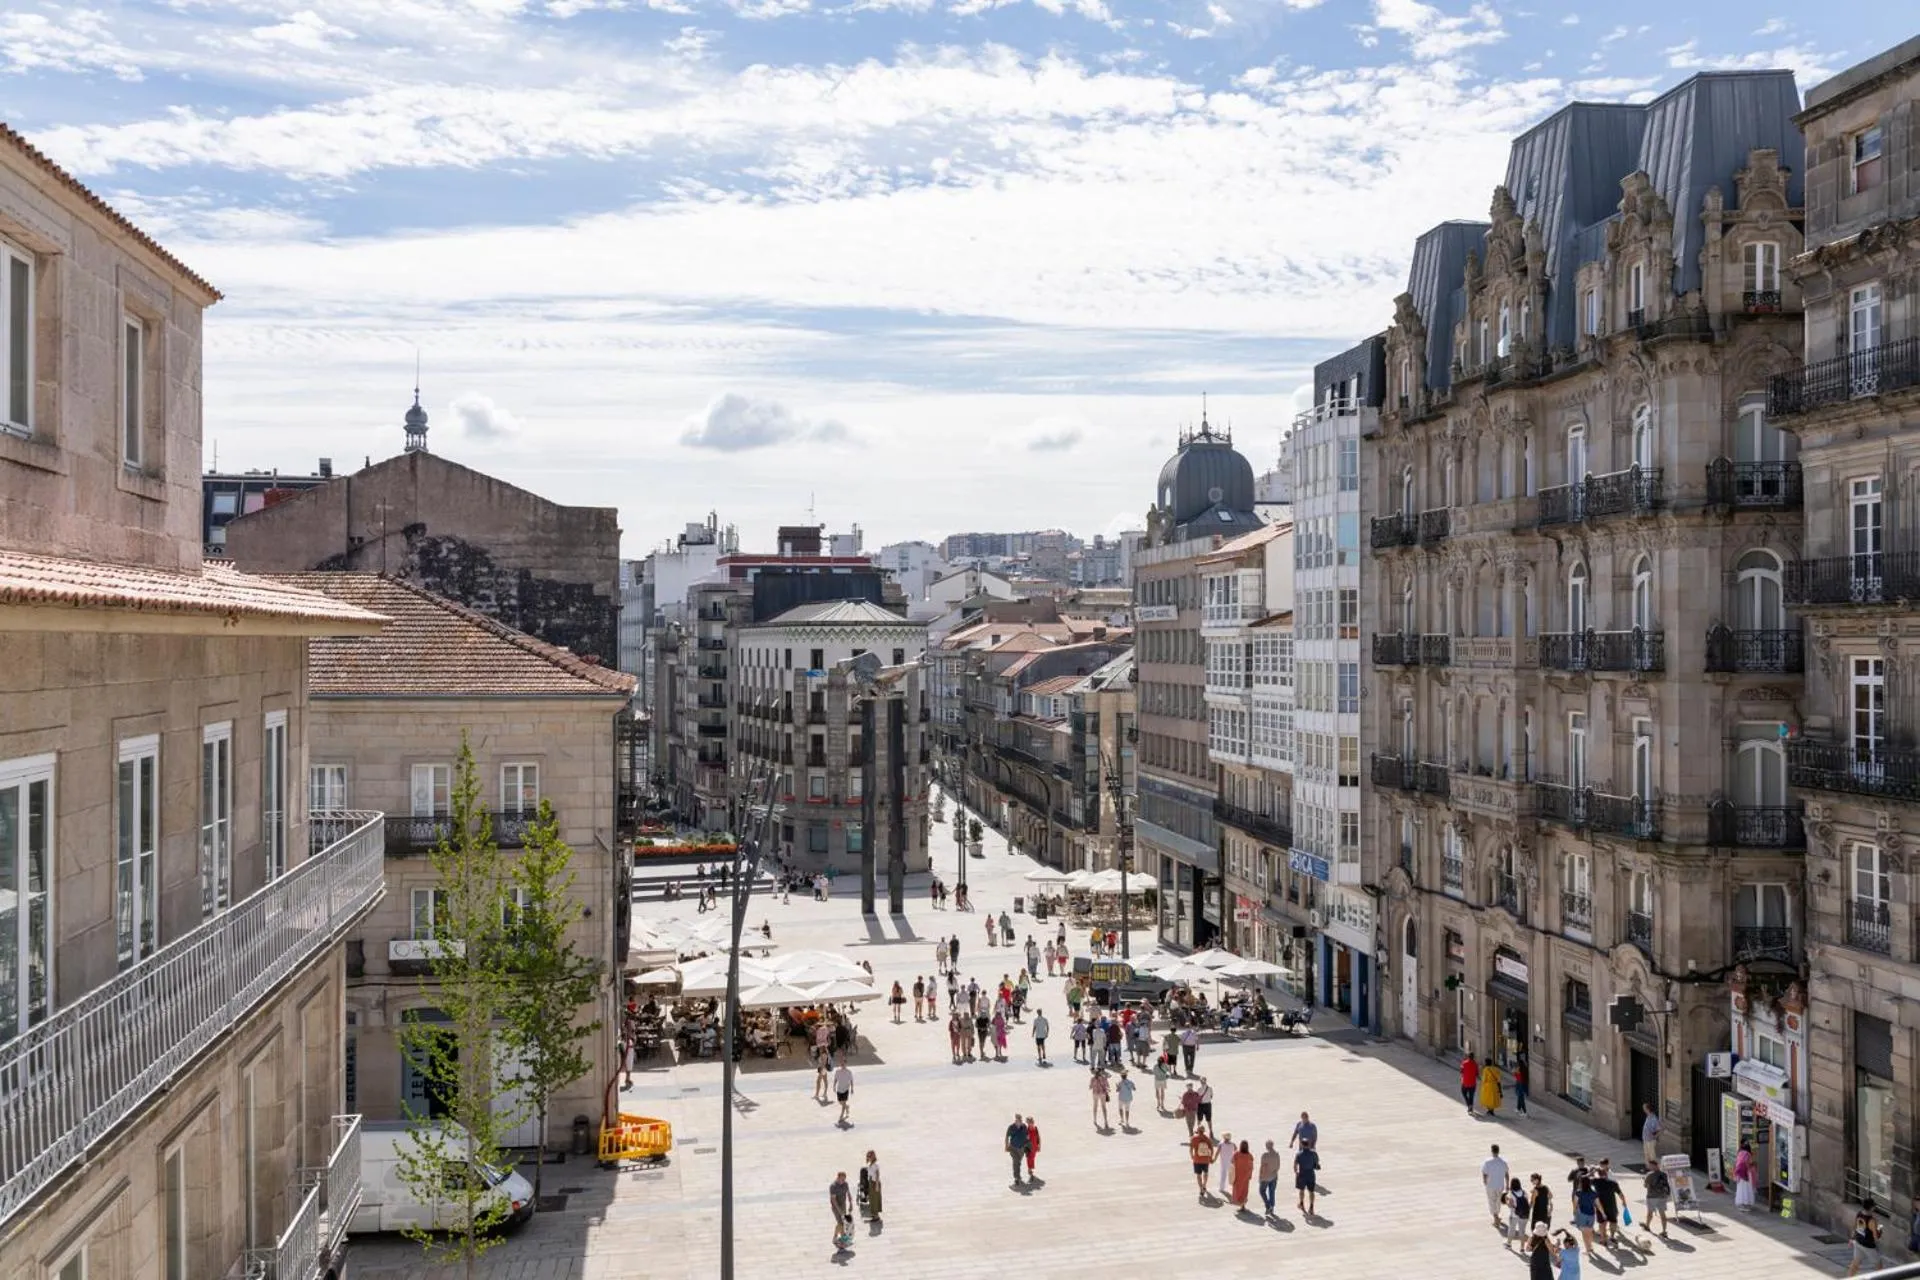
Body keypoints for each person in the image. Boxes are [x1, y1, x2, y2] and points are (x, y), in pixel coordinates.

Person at [1590, 1159, 1622, 1246]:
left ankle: (1603, 1240)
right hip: (1611, 1205)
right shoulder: (1612, 1183)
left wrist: (1592, 1171)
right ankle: (1612, 1236)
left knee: (1602, 1223)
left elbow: (1585, 1179)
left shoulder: (1596, 1182)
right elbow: (1620, 1193)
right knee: (1613, 1221)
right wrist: (1624, 1203)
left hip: (1600, 1206)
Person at [1851, 1204, 1885, 1276]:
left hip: (1858, 1242)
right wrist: (1880, 1230)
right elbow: (1875, 1237)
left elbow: (1855, 1227)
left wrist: (1852, 1238)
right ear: (1872, 1208)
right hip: (1868, 1246)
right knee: (1879, 1265)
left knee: (1855, 1263)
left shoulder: (1859, 1214)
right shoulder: (1872, 1220)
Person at [1483, 1143, 1510, 1229]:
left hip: (1491, 1185)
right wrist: (1507, 1184)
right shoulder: (1503, 1162)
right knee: (1498, 1201)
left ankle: (1496, 1218)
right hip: (1500, 1185)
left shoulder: (1487, 1162)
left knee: (1492, 1201)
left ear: (1492, 1151)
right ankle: (1497, 1216)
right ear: (1498, 1151)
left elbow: (1484, 1173)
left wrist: (1485, 1181)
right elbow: (1506, 1174)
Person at [1570, 1173, 1597, 1257]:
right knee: (1590, 1230)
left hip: (1582, 1214)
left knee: (1584, 1233)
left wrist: (1574, 1211)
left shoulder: (1578, 1192)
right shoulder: (1593, 1192)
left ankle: (1587, 1249)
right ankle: (1591, 1246)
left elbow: (1575, 1203)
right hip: (1592, 1214)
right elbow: (1597, 1203)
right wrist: (1603, 1213)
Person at [1641, 1163, 1670, 1237]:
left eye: (1650, 1165)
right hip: (1662, 1196)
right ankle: (1664, 1231)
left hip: (1652, 1196)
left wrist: (1646, 1180)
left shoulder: (1649, 1174)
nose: (1649, 1167)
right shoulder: (1664, 1174)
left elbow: (1645, 1185)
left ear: (1653, 1166)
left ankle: (1647, 1226)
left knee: (1650, 1213)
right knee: (1662, 1213)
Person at [1293, 1138, 1320, 1214]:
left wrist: (1296, 1172)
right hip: (1311, 1174)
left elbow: (1295, 1165)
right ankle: (1311, 1207)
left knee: (1301, 1190)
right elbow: (1317, 1163)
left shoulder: (1299, 1154)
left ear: (1301, 1144)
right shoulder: (1314, 1153)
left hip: (1302, 1174)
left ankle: (1301, 1203)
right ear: (1309, 1144)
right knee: (1311, 1191)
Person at [1005, 1112, 1032, 1186]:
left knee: (1018, 1162)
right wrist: (1006, 1146)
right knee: (1016, 1162)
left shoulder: (1024, 1126)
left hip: (1021, 1148)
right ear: (1016, 1120)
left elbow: (1027, 1136)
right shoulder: (1011, 1127)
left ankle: (1018, 1176)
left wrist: (1028, 1146)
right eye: (1018, 1119)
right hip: (1013, 1148)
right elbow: (1007, 1136)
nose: (1019, 1121)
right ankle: (1016, 1178)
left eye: (1020, 1119)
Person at [1189, 1128, 1216, 1198]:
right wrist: (1210, 1158)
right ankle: (1204, 1185)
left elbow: (1191, 1149)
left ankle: (1201, 1189)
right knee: (1206, 1173)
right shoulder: (1207, 1138)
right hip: (1205, 1159)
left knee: (1198, 1175)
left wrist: (1192, 1156)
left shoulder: (1194, 1138)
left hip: (1197, 1159)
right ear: (1204, 1131)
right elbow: (1211, 1149)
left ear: (1198, 1131)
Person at [1258, 1140, 1282, 1216]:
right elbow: (1278, 1166)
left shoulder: (1265, 1155)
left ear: (1267, 1146)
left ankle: (1268, 1205)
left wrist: (1260, 1177)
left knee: (1262, 1191)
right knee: (1272, 1192)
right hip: (1274, 1176)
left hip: (1265, 1177)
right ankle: (1272, 1207)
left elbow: (1262, 1167)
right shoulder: (1277, 1154)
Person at [830, 1171, 853, 1248]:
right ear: (838, 1177)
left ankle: (836, 1237)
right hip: (836, 1207)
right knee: (840, 1223)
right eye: (841, 1179)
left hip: (843, 1205)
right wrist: (839, 1210)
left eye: (844, 1179)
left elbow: (848, 1194)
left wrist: (851, 1204)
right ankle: (841, 1239)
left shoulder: (845, 1184)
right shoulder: (833, 1186)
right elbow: (833, 1200)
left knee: (842, 1222)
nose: (843, 1181)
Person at [1506, 1178, 1531, 1251]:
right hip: (1524, 1215)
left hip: (1514, 1215)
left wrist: (1507, 1202)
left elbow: (1510, 1205)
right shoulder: (1524, 1192)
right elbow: (1527, 1202)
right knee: (1522, 1231)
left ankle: (1509, 1244)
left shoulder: (1511, 1194)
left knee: (1512, 1229)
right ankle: (1522, 1247)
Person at [1733, 1140, 1756, 1211]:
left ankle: (1741, 1204)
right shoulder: (1747, 1154)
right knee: (1746, 1189)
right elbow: (1747, 1163)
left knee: (1741, 1189)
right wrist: (1752, 1165)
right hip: (1746, 1174)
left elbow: (1737, 1163)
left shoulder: (1739, 1153)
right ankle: (1745, 1204)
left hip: (1739, 1174)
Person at [1231, 1139, 1255, 1209]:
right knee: (1244, 1190)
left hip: (1237, 1175)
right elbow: (1251, 1166)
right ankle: (1243, 1204)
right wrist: (1250, 1175)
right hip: (1246, 1176)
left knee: (1237, 1190)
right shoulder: (1249, 1155)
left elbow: (1232, 1162)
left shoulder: (1236, 1154)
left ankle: (1240, 1203)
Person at [862, 1150, 883, 1221]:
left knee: (875, 1199)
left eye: (870, 1156)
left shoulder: (875, 1164)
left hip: (875, 1182)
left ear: (873, 1156)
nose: (869, 1157)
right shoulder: (870, 1164)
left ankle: (876, 1216)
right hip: (871, 1182)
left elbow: (877, 1174)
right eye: (868, 1156)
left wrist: (877, 1185)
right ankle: (874, 1215)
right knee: (872, 1199)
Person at [833, 1058, 854, 1124]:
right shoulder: (837, 1071)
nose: (842, 1064)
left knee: (843, 1103)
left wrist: (852, 1088)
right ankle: (847, 1107)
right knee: (840, 1102)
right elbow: (835, 1079)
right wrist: (834, 1086)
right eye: (841, 1063)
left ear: (846, 1064)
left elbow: (851, 1080)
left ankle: (841, 1116)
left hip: (845, 1089)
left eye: (843, 1063)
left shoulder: (849, 1072)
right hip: (839, 1089)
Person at [1640, 1102, 1660, 1167]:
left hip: (1650, 1140)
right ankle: (1648, 1166)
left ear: (1648, 1109)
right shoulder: (1648, 1117)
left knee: (1652, 1155)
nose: (1643, 1109)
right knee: (1646, 1154)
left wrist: (1654, 1137)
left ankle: (1654, 1167)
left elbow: (1658, 1129)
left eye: (1644, 1108)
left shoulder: (1654, 1118)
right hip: (1646, 1139)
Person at [1215, 1129, 1235, 1197]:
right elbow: (1236, 1152)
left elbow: (1217, 1153)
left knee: (1223, 1174)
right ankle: (1233, 1187)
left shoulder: (1221, 1144)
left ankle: (1221, 1188)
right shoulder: (1233, 1144)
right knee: (1232, 1175)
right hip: (1231, 1161)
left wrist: (1214, 1159)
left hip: (1223, 1161)